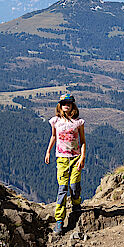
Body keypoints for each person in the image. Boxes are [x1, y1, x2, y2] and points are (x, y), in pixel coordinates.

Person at [44, 93, 86, 234]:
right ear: (60, 106)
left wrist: (82, 157)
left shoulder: (78, 122)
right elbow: (54, 136)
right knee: (62, 189)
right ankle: (59, 220)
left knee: (74, 185)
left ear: (73, 105)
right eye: (63, 104)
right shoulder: (55, 121)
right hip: (61, 158)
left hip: (75, 158)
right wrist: (48, 151)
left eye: (68, 103)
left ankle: (76, 205)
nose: (66, 105)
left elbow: (82, 140)